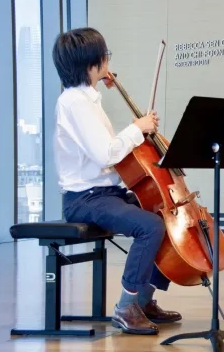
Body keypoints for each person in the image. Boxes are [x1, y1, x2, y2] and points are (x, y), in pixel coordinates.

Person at [52, 27, 182, 335]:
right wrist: (138, 127)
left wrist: (135, 126)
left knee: (161, 214)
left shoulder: (87, 99)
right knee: (149, 226)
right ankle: (126, 307)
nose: (108, 61)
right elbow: (105, 154)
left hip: (105, 192)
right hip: (85, 199)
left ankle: (145, 300)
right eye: (105, 56)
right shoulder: (74, 102)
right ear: (91, 63)